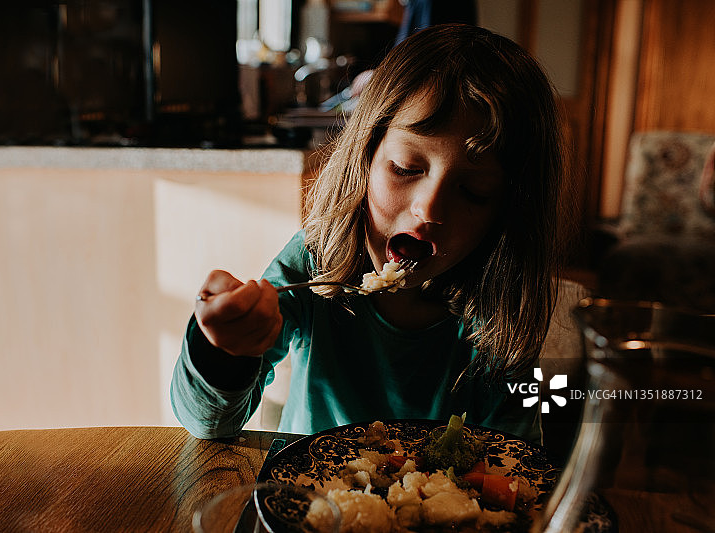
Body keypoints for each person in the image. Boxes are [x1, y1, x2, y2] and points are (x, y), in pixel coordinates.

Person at [171, 24, 570, 445]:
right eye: (406, 169)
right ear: (366, 155)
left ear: (507, 212)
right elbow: (208, 423)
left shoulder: (502, 317)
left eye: (474, 191)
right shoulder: (317, 261)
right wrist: (226, 353)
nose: (429, 208)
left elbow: (520, 464)